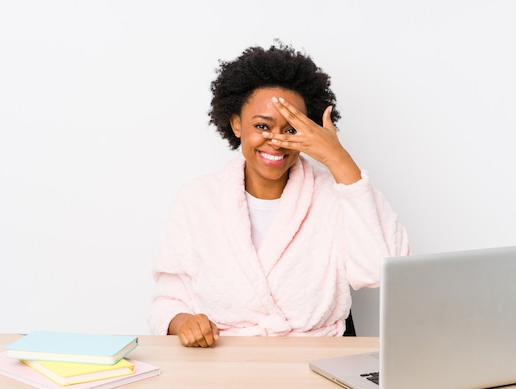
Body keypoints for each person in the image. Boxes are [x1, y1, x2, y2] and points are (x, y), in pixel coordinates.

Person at [147, 41, 410, 347]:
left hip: (317, 362)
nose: (276, 141)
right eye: (262, 125)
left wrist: (338, 159)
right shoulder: (197, 200)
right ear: (236, 124)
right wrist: (183, 323)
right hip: (223, 363)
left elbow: (383, 269)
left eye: (290, 130)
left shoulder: (335, 193)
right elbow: (167, 300)